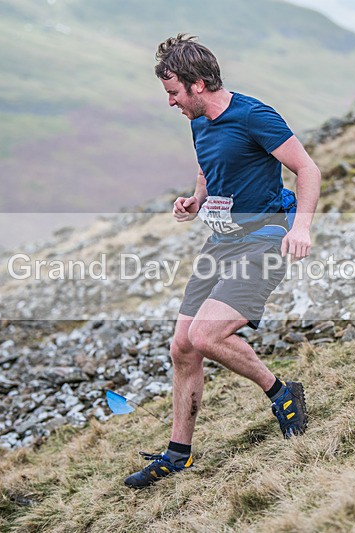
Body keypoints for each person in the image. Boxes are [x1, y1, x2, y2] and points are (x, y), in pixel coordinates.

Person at [124, 34, 321, 489]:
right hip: (222, 240)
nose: (170, 102)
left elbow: (306, 169)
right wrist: (196, 200)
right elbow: (208, 165)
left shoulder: (254, 115)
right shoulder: (198, 121)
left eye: (173, 92)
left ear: (196, 84)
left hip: (266, 237)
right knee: (182, 346)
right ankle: (178, 454)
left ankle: (281, 392)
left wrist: (302, 227)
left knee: (206, 334)